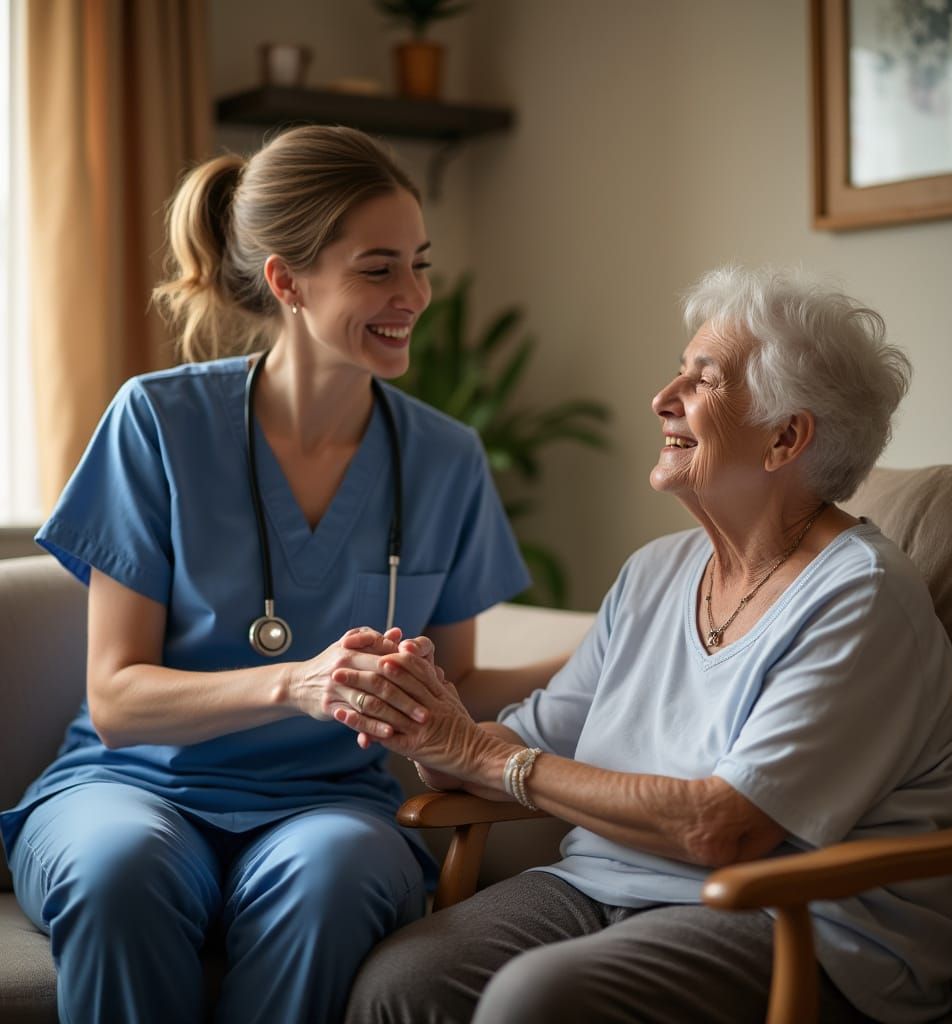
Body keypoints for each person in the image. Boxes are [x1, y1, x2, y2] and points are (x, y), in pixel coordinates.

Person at [0, 125, 565, 1024]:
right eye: (378, 269)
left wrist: (610, 650)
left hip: (333, 804)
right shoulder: (158, 423)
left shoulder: (445, 458)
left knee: (334, 879)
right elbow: (117, 698)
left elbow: (450, 686)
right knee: (118, 873)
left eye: (419, 264)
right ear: (287, 282)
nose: (413, 296)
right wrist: (296, 684)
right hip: (133, 784)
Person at [340, 266, 952, 1024]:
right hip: (606, 887)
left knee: (534, 1001)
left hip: (797, 921)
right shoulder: (654, 574)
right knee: (403, 977)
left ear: (785, 438)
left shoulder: (860, 596)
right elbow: (535, 740)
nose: (662, 398)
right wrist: (427, 721)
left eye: (702, 381)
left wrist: (491, 759)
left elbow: (725, 827)